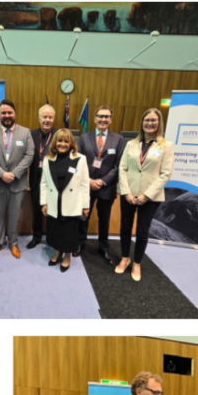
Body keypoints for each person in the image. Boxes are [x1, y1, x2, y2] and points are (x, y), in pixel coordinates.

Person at [116, 108, 175, 282]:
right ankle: (125, 258)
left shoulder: (166, 145)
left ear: (159, 123)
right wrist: (126, 192)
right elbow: (123, 168)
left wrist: (146, 195)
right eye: (147, 120)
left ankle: (137, 263)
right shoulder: (131, 144)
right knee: (125, 227)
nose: (150, 123)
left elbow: (165, 173)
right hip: (128, 194)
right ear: (142, 123)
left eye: (153, 120)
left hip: (150, 197)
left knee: (142, 230)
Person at [0, 100, 34, 259]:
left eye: (9, 112)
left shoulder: (25, 132)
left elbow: (29, 155)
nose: (7, 116)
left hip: (17, 182)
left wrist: (15, 173)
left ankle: (13, 242)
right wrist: (1, 173)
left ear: (15, 113)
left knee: (14, 215)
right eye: (3, 113)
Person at [77, 105, 125, 264]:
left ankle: (103, 247)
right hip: (86, 185)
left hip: (107, 187)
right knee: (83, 216)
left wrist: (103, 181)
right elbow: (78, 161)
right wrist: (89, 180)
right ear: (95, 118)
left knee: (104, 219)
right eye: (100, 116)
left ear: (110, 120)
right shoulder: (84, 137)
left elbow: (119, 165)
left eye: (106, 116)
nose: (103, 119)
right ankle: (80, 243)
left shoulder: (118, 139)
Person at [39, 129, 90, 273]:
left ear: (71, 143)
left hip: (72, 202)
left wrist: (85, 205)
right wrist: (44, 202)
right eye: (60, 141)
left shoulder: (80, 159)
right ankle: (57, 252)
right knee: (55, 230)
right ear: (55, 143)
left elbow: (85, 183)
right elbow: (44, 182)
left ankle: (67, 256)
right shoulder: (48, 159)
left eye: (66, 141)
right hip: (54, 201)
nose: (62, 144)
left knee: (68, 232)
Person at [27, 104, 57, 249]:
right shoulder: (31, 134)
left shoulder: (59, 134)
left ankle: (52, 238)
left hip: (53, 181)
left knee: (52, 211)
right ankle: (36, 237)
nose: (47, 120)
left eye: (50, 117)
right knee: (36, 211)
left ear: (54, 119)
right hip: (35, 180)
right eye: (44, 117)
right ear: (39, 118)